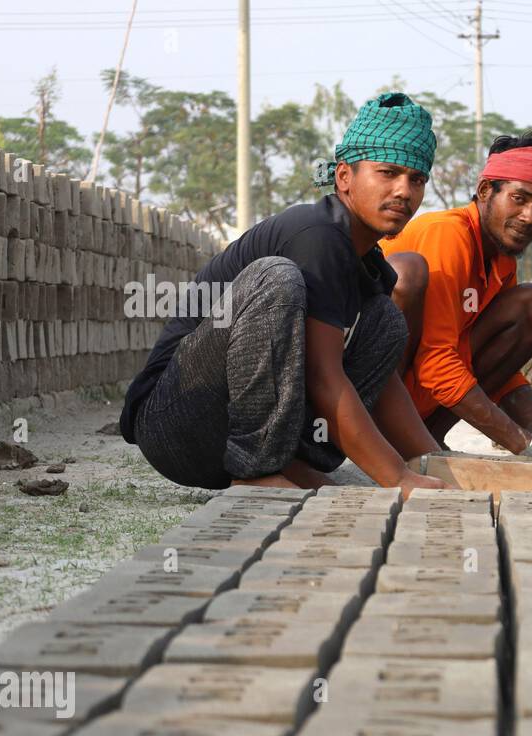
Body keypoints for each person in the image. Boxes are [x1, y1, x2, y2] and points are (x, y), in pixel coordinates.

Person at [119, 91, 448, 494]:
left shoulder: (366, 262)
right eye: (388, 173)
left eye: (416, 180)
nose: (403, 191)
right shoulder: (317, 235)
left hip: (240, 438)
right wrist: (397, 479)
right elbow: (324, 376)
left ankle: (288, 463)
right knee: (276, 277)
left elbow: (384, 388)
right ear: (344, 176)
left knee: (385, 322)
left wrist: (434, 461)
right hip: (177, 423)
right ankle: (256, 470)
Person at [380, 133, 532, 462]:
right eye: (519, 199)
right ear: (485, 192)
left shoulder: (501, 259)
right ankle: (400, 437)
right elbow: (435, 364)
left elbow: (500, 363)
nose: (529, 216)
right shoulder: (448, 235)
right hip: (374, 392)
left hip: (423, 389)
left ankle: (428, 437)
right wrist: (522, 443)